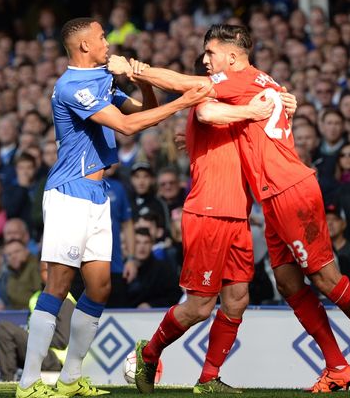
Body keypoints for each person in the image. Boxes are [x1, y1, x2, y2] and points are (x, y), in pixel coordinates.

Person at [125, 24, 350, 392]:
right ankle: (337, 366)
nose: (207, 61)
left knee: (326, 279)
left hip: (288, 189)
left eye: (210, 54)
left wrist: (139, 69)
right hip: (267, 198)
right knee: (289, 283)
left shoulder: (240, 78)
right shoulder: (263, 84)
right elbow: (212, 113)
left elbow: (191, 89)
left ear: (231, 56)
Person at [17, 17, 208, 398]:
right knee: (57, 285)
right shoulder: (71, 86)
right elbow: (127, 126)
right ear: (84, 46)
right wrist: (184, 101)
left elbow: (144, 111)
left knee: (101, 288)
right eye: (102, 37)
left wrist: (145, 82)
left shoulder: (101, 80)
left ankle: (71, 380)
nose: (108, 41)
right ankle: (28, 383)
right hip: (70, 191)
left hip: (97, 193)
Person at [117, 55, 277, 394]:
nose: (212, 71)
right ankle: (149, 352)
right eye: (207, 67)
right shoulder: (207, 100)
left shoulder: (237, 104)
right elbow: (205, 112)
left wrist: (282, 99)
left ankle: (209, 379)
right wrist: (253, 111)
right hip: (208, 213)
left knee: (237, 299)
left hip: (237, 215)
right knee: (201, 307)